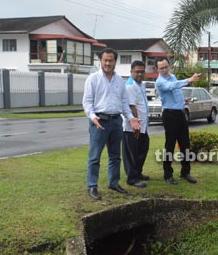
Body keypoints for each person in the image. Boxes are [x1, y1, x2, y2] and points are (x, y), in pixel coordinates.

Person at [82, 48, 141, 200]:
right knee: (94, 157)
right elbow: (87, 102)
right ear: (101, 61)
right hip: (99, 122)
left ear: (115, 61)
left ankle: (113, 183)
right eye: (105, 60)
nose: (108, 63)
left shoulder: (120, 80)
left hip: (116, 122)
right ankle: (92, 186)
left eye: (111, 60)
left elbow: (124, 102)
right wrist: (93, 117)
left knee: (115, 156)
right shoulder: (93, 79)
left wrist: (130, 118)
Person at [155, 57, 201, 185]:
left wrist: (183, 101)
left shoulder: (173, 76)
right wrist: (189, 80)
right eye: (161, 68)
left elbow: (176, 92)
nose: (164, 70)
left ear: (169, 65)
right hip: (170, 115)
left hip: (180, 113)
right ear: (157, 69)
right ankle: (167, 174)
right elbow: (171, 86)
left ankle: (185, 172)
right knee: (170, 145)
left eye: (166, 67)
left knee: (185, 144)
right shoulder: (160, 81)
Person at [122, 60, 150, 188]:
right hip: (132, 127)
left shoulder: (140, 84)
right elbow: (132, 106)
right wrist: (136, 125)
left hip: (142, 126)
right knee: (132, 153)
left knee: (142, 150)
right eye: (137, 71)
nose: (140, 74)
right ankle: (132, 178)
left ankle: (138, 173)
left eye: (142, 71)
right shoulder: (130, 86)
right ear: (131, 72)